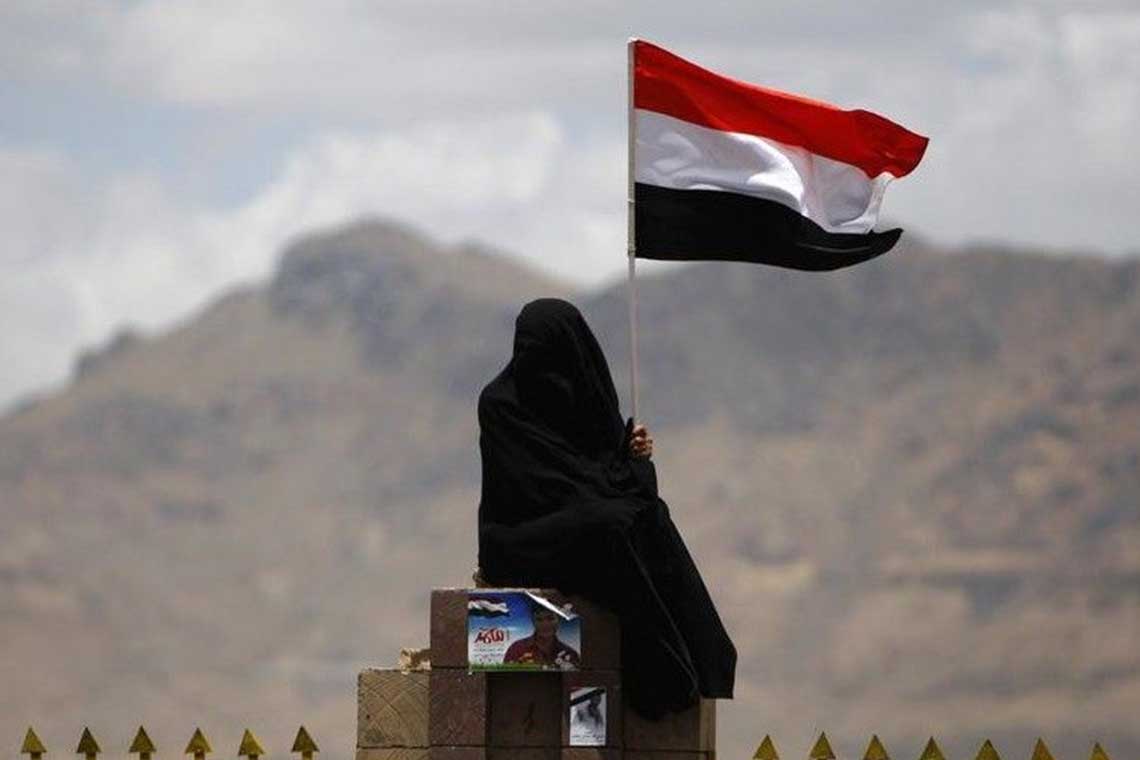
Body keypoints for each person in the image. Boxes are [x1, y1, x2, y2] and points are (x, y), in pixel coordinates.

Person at [477, 298, 736, 718]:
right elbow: (540, 488)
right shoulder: (501, 404)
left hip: (585, 517)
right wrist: (614, 482)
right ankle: (658, 675)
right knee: (609, 524)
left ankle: (702, 661)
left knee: (649, 517)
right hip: (518, 537)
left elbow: (619, 482)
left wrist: (634, 459)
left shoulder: (585, 397)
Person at [502, 602, 581, 669]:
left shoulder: (570, 653)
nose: (545, 624)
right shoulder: (516, 649)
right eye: (539, 619)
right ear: (533, 622)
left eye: (550, 618)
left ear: (559, 620)